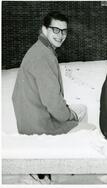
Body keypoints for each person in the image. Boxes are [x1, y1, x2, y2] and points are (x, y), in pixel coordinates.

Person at [12, 11, 92, 183]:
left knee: (81, 109)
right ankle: (68, 167)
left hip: (32, 115)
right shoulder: (43, 56)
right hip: (40, 125)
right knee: (90, 130)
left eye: (64, 31)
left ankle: (65, 162)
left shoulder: (40, 49)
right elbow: (55, 106)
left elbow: (49, 96)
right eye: (55, 30)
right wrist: (69, 115)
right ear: (44, 29)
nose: (61, 35)